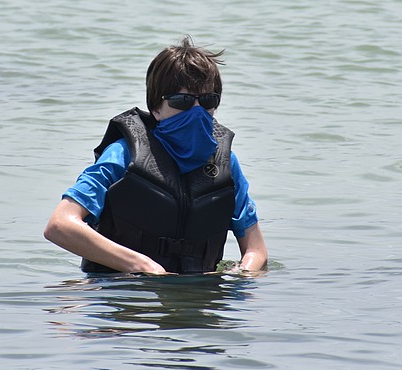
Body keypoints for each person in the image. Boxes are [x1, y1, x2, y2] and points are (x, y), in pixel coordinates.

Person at [44, 37, 268, 275]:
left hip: (200, 298)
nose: (196, 111)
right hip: (126, 294)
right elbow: (59, 225)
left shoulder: (225, 164)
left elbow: (256, 251)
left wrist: (243, 273)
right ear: (156, 109)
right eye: (182, 101)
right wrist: (141, 265)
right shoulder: (123, 154)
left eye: (207, 101)